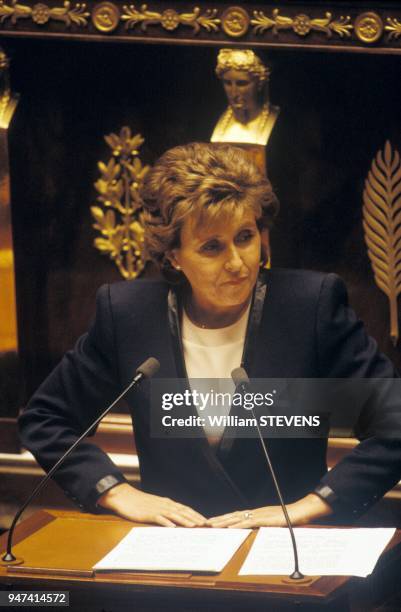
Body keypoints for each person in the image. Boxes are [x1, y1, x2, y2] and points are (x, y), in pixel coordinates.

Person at [19, 143, 400, 529]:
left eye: (246, 237)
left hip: (288, 551)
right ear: (173, 255)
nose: (237, 262)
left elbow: (394, 424)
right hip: (174, 554)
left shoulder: (308, 308)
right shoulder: (129, 315)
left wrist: (308, 506)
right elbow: (46, 418)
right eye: (212, 247)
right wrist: (116, 491)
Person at [211, 49, 279, 147]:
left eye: (242, 83)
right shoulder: (215, 119)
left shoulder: (275, 119)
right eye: (227, 83)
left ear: (260, 83)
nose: (234, 92)